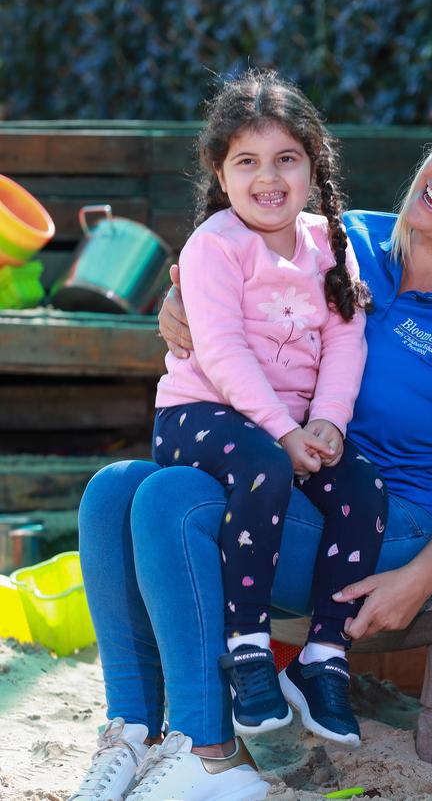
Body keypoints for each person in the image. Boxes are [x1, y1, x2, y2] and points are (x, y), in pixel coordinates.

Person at [70, 101, 432, 801]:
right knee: (112, 487)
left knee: (173, 500)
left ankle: (210, 752)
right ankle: (134, 733)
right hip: (288, 474)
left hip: (390, 525)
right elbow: (220, 285)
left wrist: (416, 581)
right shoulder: (340, 237)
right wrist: (173, 314)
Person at [152, 71, 386, 748]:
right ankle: (249, 647)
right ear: (220, 174)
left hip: (292, 427)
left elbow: (347, 340)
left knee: (365, 488)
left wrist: (328, 423)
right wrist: (282, 431)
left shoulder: (329, 243)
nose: (269, 178)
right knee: (262, 465)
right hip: (200, 416)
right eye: (247, 161)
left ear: (314, 165)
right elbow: (220, 354)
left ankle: (323, 655)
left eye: (286, 158)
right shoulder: (215, 246)